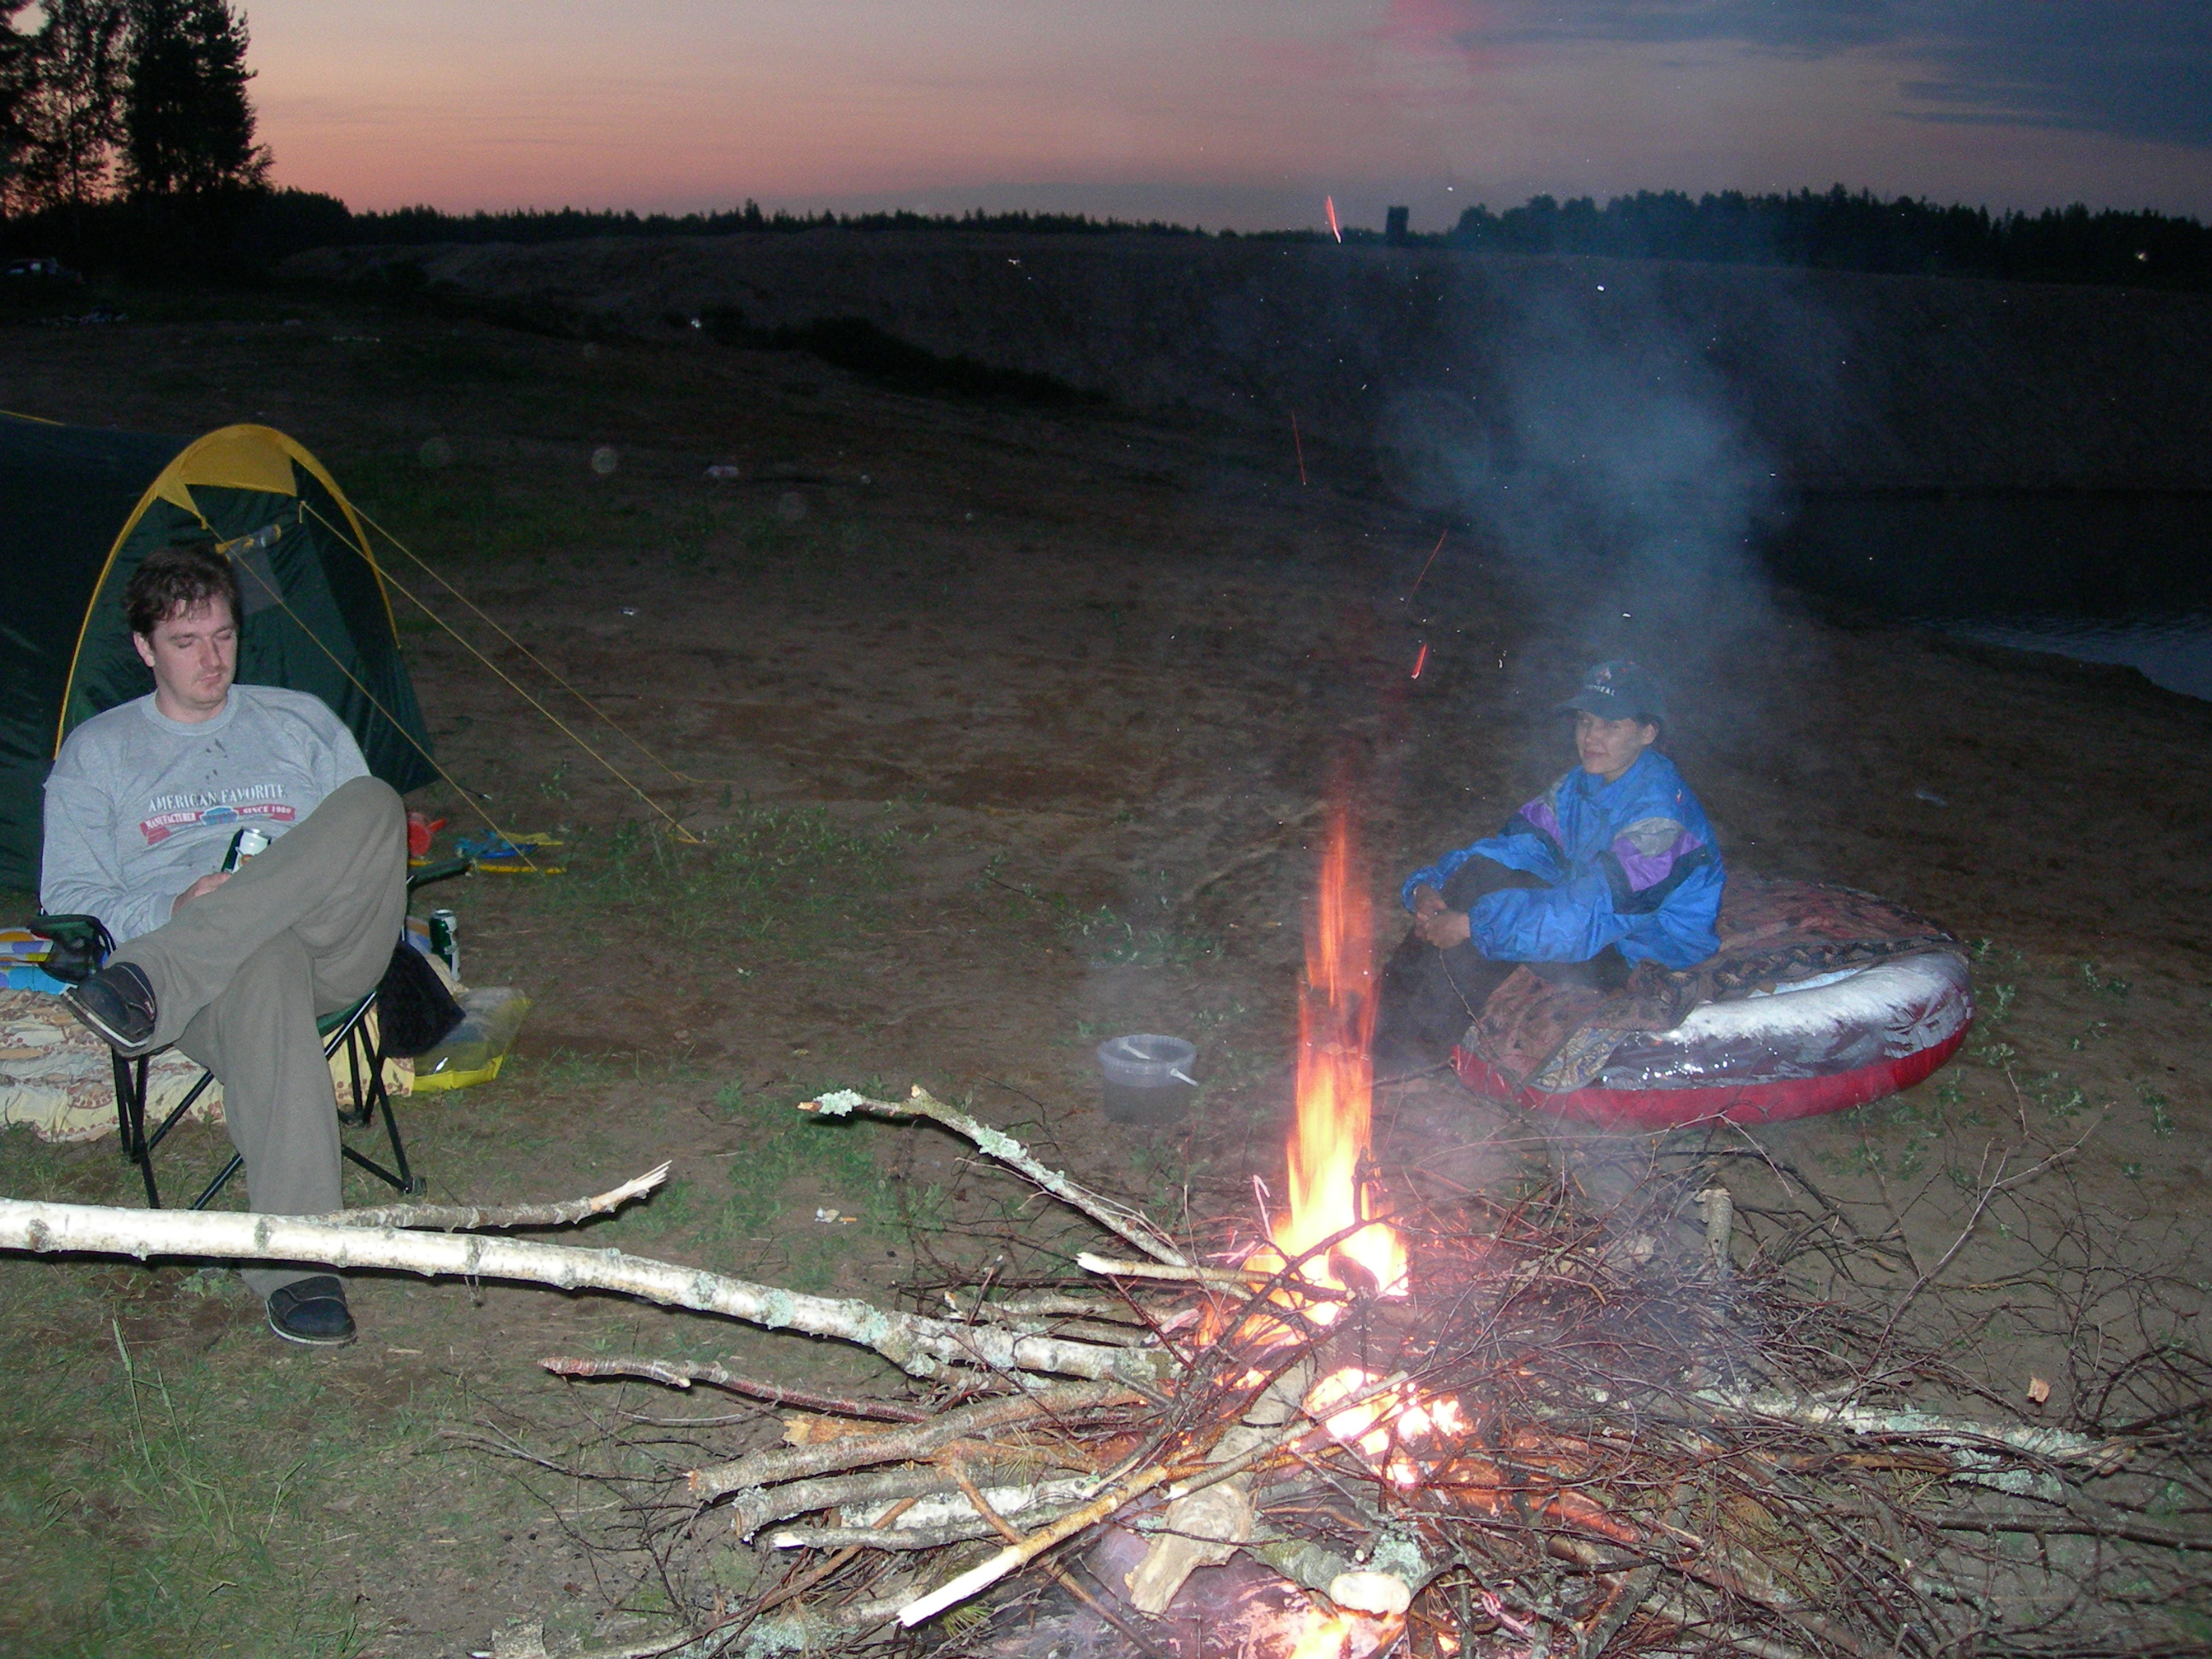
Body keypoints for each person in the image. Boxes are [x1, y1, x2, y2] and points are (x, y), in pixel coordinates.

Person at [42, 544, 408, 1346]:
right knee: (261, 957)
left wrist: (228, 906)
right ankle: (301, 1264)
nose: (212, 660)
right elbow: (68, 899)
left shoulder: (299, 721)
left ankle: (149, 979)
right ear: (144, 649)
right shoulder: (97, 753)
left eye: (223, 636)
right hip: (221, 986)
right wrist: (171, 904)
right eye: (185, 642)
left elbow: (361, 847)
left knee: (375, 801)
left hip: (324, 947)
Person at [1371, 660, 1725, 1077]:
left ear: (1648, 733)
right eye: (1585, 721)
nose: (1590, 737)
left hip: (1639, 950)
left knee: (1492, 924)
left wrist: (1470, 925)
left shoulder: (1661, 822)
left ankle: (1408, 1054)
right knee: (1482, 879)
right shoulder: (1581, 785)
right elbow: (1516, 847)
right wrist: (1430, 887)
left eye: (1610, 726)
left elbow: (1583, 921)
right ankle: (1369, 1025)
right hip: (1592, 918)